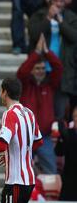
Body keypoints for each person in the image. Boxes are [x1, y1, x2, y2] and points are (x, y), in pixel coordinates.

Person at [17, 34, 63, 174]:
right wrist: (36, 53)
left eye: (43, 68)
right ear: (32, 70)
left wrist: (47, 52)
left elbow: (58, 67)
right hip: (26, 137)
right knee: (21, 172)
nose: (40, 71)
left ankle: (47, 196)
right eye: (37, 68)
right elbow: (22, 72)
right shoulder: (25, 85)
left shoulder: (50, 85)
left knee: (51, 171)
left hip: (45, 137)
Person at [29, 0, 77, 120]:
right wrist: (48, 18)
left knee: (59, 111)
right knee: (40, 109)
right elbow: (34, 34)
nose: (58, 4)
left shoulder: (71, 17)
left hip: (63, 71)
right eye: (55, 1)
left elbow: (74, 37)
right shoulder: (39, 15)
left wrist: (61, 23)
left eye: (61, 1)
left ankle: (57, 138)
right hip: (41, 69)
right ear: (49, 2)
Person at [55, 107, 77, 203]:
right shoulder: (68, 133)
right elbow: (58, 152)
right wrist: (62, 137)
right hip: (69, 181)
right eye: (75, 116)